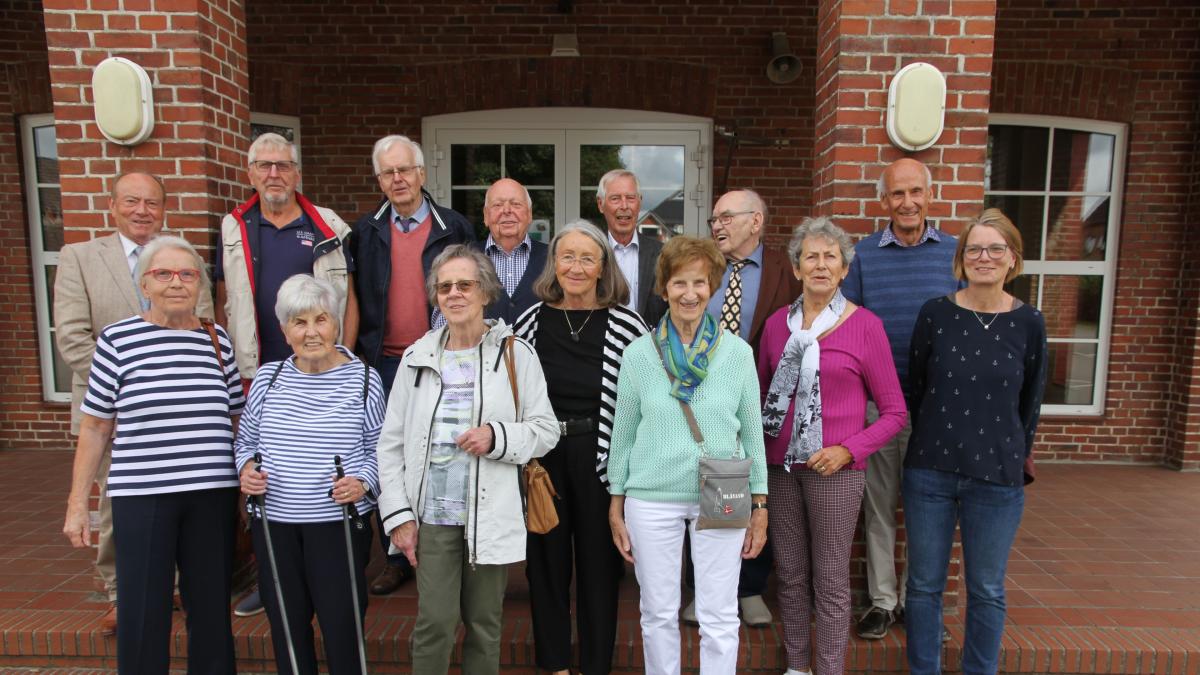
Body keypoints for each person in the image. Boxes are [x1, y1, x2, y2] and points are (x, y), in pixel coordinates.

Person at [376, 245, 560, 675]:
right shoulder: (416, 358)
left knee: (484, 625)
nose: (454, 294)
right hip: (433, 516)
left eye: (465, 284)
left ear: (485, 292)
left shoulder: (515, 353)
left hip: (490, 513)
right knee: (435, 623)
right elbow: (391, 444)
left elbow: (546, 430)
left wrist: (496, 436)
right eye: (444, 287)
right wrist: (399, 516)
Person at [62, 235, 243, 674]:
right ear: (145, 283)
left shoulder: (217, 339)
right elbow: (97, 425)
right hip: (143, 498)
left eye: (187, 274)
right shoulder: (118, 341)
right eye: (163, 274)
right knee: (143, 610)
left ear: (200, 284)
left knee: (210, 609)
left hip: (212, 495)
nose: (176, 283)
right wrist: (76, 504)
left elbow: (236, 419)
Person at [53, 171, 213, 635]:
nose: (142, 210)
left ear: (163, 209)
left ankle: (174, 583)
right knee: (116, 508)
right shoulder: (80, 256)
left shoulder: (181, 259)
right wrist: (127, 387)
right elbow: (71, 335)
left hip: (170, 408)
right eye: (131, 201)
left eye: (151, 202)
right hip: (109, 407)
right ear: (112, 205)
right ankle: (122, 594)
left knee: (177, 499)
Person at [608, 236, 768, 675]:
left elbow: (752, 432)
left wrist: (760, 505)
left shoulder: (736, 353)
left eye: (700, 282)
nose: (690, 293)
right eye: (679, 282)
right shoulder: (640, 354)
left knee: (718, 613)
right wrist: (616, 501)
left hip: (724, 485)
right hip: (651, 493)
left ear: (713, 287)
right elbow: (623, 432)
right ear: (663, 288)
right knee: (657, 611)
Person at [217, 132, 360, 615]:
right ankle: (269, 573)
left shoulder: (328, 226)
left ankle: (332, 573)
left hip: (322, 364)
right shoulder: (235, 228)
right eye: (264, 165)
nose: (273, 174)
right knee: (265, 467)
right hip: (261, 372)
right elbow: (226, 300)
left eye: (283, 165)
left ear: (297, 172)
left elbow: (348, 299)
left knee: (324, 464)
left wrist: (344, 359)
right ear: (251, 172)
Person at [757, 217, 907, 675]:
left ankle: (829, 669)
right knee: (791, 576)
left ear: (844, 270)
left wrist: (848, 450)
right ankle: (798, 667)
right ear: (797, 268)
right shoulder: (774, 328)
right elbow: (759, 401)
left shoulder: (864, 326)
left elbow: (895, 413)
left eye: (831, 257)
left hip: (836, 473)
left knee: (831, 579)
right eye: (811, 256)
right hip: (780, 471)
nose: (820, 265)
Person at [904, 208, 1047, 675]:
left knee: (986, 588)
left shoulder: (1030, 323)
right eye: (974, 249)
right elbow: (918, 387)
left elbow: (1031, 402)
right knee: (924, 585)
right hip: (931, 471)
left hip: (997, 478)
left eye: (995, 249)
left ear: (1013, 260)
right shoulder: (935, 314)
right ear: (961, 259)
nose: (984, 257)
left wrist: (1013, 452)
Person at [513, 220, 650, 675]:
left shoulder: (629, 326)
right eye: (566, 256)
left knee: (600, 568)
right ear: (554, 264)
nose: (575, 266)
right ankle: (554, 664)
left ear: (602, 267)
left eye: (586, 258)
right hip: (544, 458)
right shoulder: (529, 322)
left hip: (601, 456)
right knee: (545, 566)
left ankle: (595, 666)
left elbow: (644, 402)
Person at [236, 274, 385, 675]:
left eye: (320, 319)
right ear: (285, 331)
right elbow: (245, 443)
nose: (311, 331)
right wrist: (246, 469)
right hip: (275, 526)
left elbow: (381, 451)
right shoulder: (268, 378)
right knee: (287, 626)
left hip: (335, 524)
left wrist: (363, 483)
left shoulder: (366, 380)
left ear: (335, 324)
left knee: (342, 628)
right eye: (299, 323)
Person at [350, 133, 475, 596]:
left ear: (422, 174)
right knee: (391, 452)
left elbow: (468, 288)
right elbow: (357, 299)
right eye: (388, 172)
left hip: (441, 359)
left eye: (405, 170)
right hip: (384, 360)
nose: (398, 179)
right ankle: (396, 552)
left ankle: (449, 546)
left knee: (443, 448)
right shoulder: (365, 232)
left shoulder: (453, 227)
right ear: (380, 180)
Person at [842, 157, 961, 640]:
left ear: (930, 195)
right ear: (883, 200)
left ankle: (919, 601)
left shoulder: (955, 253)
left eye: (915, 192)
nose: (907, 202)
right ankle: (882, 601)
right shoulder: (865, 255)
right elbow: (848, 325)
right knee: (879, 506)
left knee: (928, 510)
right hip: (878, 406)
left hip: (938, 408)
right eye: (897, 194)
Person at [679, 188, 800, 627]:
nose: (717, 226)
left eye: (726, 217)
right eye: (714, 219)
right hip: (702, 402)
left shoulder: (787, 272)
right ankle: (702, 589)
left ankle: (749, 586)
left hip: (762, 397)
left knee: (749, 487)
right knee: (703, 486)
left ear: (756, 221)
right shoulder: (701, 269)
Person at [472, 178, 549, 324]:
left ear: (529, 214)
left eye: (516, 204)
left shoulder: (553, 258)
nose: (506, 210)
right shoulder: (466, 259)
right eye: (497, 205)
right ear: (486, 215)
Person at [596, 169, 667, 325]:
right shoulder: (591, 253)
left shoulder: (662, 254)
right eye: (615, 198)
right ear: (601, 205)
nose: (624, 205)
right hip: (599, 346)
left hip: (648, 345)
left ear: (639, 202)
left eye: (630, 198)